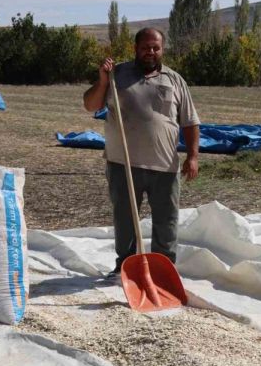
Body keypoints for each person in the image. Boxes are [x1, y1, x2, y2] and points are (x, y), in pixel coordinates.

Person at [82, 27, 200, 278]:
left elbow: (190, 122)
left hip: (164, 166)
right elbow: (90, 104)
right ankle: (124, 267)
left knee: (166, 222)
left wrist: (192, 156)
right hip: (123, 163)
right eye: (145, 47)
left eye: (156, 47)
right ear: (136, 48)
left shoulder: (175, 80)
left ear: (162, 49)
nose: (151, 52)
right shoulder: (117, 75)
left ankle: (164, 270)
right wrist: (103, 80)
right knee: (125, 220)